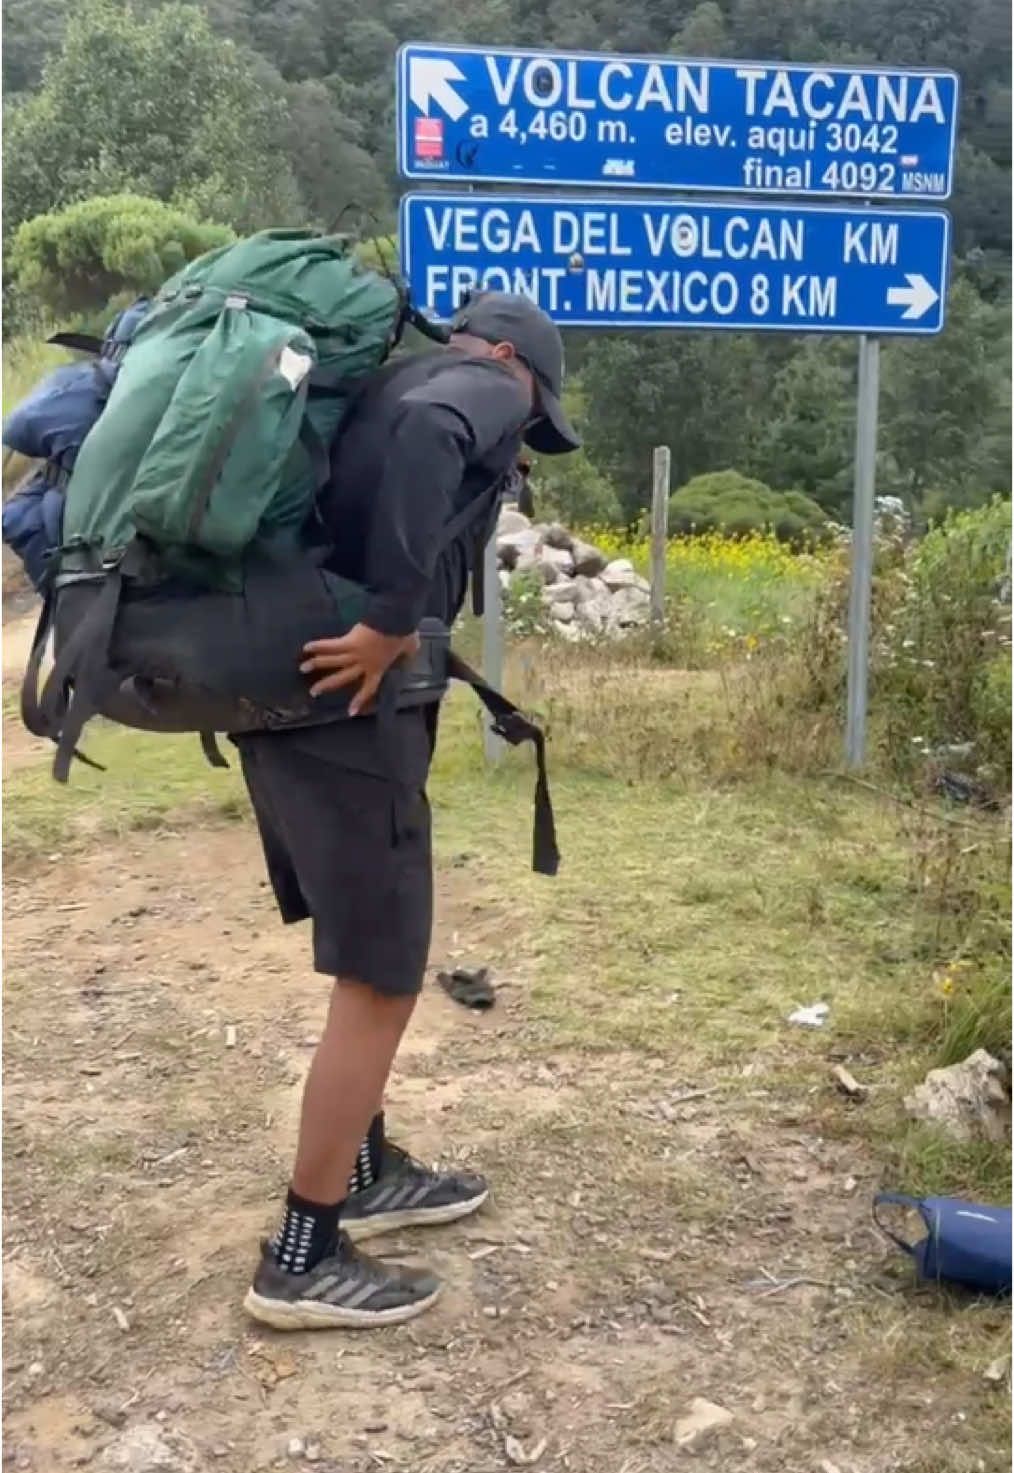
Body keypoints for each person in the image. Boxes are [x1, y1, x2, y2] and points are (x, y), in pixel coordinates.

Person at [237, 292, 579, 1330]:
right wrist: (392, 620)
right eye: (538, 414)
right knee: (384, 975)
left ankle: (369, 1167)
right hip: (346, 712)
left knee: (365, 955)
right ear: (514, 362)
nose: (528, 436)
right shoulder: (465, 389)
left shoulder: (383, 387)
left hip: (287, 700)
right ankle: (302, 1250)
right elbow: (439, 441)